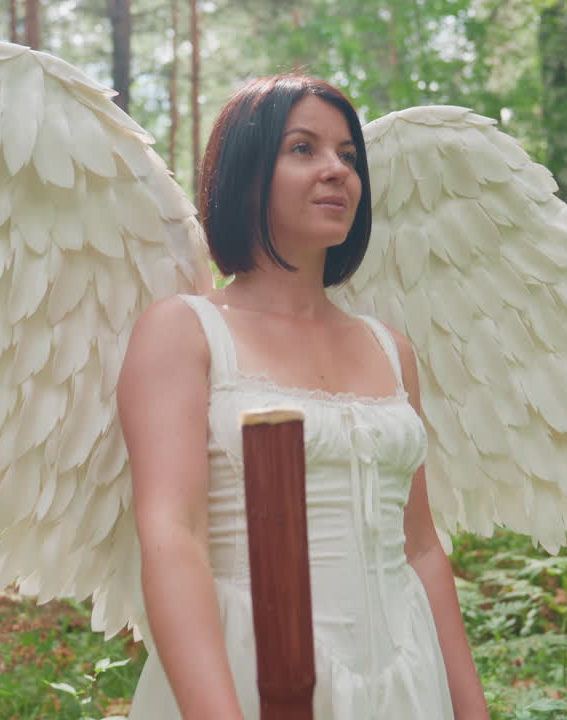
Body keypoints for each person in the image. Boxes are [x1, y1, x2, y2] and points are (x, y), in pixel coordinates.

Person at [117, 74, 492, 720]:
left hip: (405, 681)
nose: (336, 171)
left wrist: (470, 710)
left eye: (348, 157)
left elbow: (421, 547)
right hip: (243, 675)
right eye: (303, 149)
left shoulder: (390, 348)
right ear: (246, 171)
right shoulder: (186, 332)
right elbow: (172, 536)